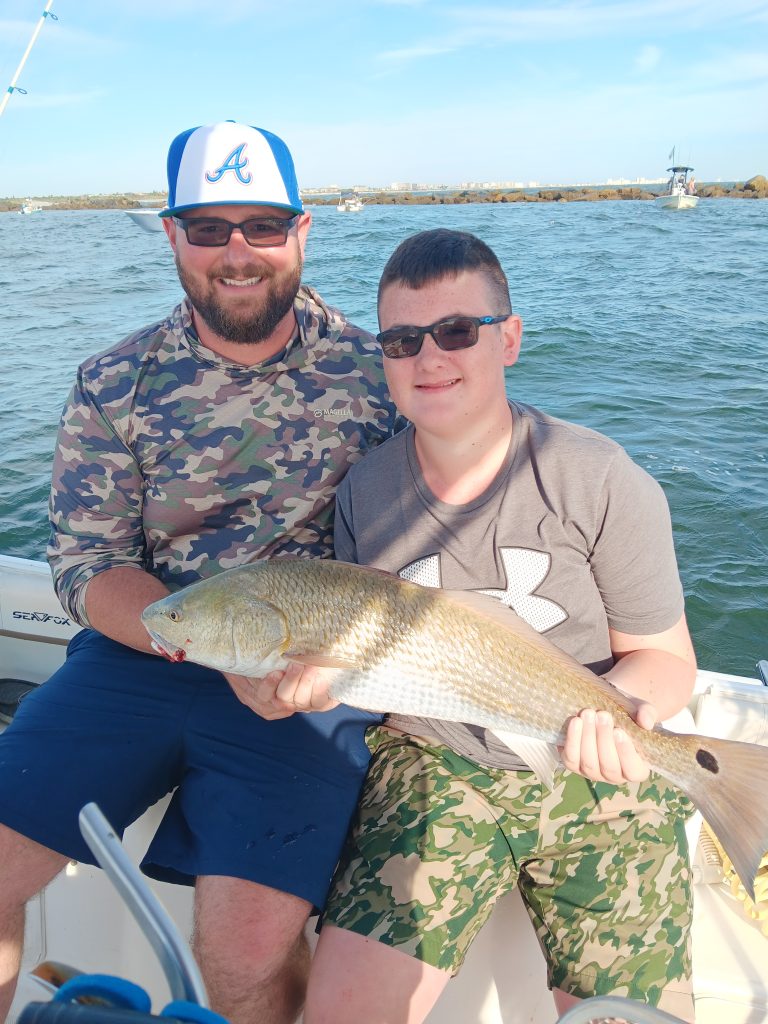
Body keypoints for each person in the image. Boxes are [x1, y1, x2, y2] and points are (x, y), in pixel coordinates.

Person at [0, 120, 399, 1024]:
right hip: (145, 649)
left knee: (245, 948)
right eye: (209, 228)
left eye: (261, 225)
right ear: (173, 235)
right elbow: (87, 561)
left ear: (302, 231)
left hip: (307, 679)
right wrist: (194, 638)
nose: (237, 252)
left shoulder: (383, 374)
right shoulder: (113, 381)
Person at [274, 228, 698, 1022]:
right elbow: (364, 653)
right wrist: (313, 680)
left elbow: (666, 659)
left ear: (508, 340)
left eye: (456, 331)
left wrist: (622, 716)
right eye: (402, 340)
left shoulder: (599, 476)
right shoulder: (363, 495)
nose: (430, 358)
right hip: (435, 760)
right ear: (384, 360)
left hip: (598, 769)